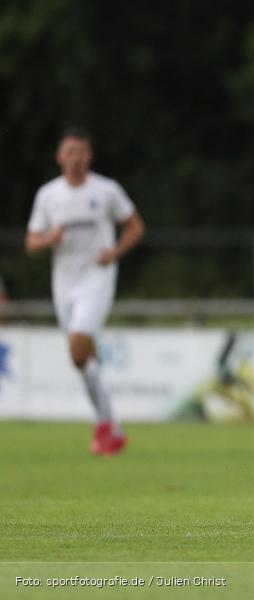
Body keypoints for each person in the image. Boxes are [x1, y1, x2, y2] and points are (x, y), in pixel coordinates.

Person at [26, 127, 145, 455]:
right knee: (81, 359)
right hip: (63, 283)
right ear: (59, 157)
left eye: (81, 152)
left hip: (97, 278)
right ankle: (111, 428)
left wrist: (115, 252)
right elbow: (31, 241)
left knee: (79, 343)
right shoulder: (48, 195)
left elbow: (135, 226)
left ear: (89, 156)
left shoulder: (106, 190)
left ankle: (104, 427)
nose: (75, 158)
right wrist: (48, 239)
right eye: (69, 152)